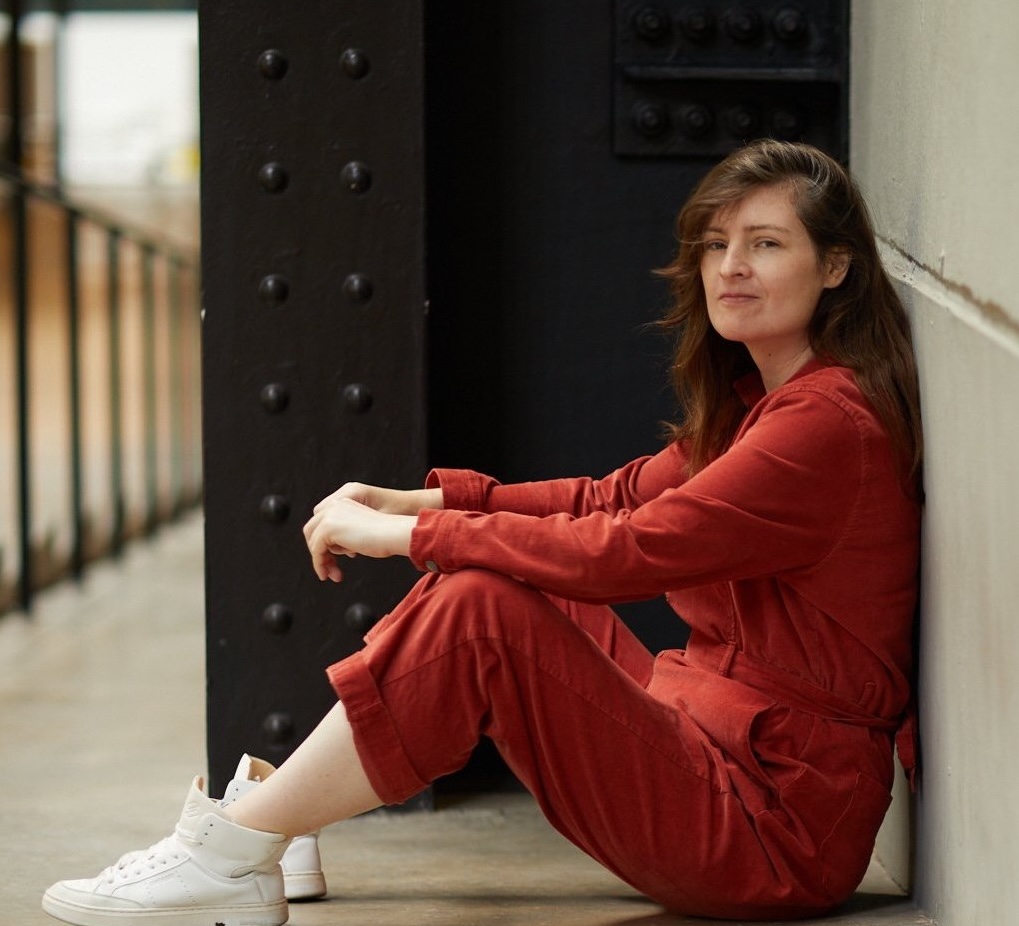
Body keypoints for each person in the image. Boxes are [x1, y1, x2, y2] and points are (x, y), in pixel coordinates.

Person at [42, 139, 923, 925]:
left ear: (835, 267)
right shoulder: (759, 407)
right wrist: (418, 505)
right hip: (711, 740)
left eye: (766, 245)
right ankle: (280, 825)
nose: (731, 267)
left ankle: (232, 850)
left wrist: (406, 541)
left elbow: (627, 551)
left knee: (480, 609)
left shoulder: (823, 427)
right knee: (490, 584)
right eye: (715, 244)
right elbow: (603, 500)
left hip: (770, 831)